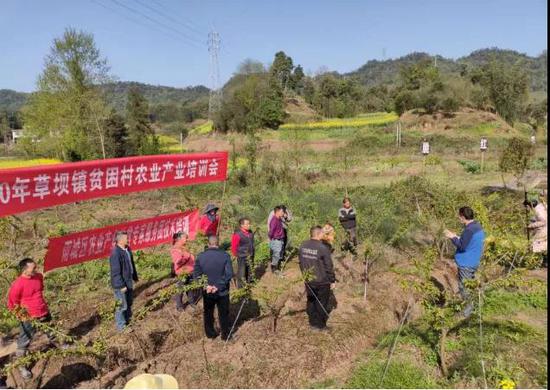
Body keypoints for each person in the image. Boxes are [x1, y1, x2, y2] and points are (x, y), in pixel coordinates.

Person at [7, 258, 67, 380]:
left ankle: (61, 346)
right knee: (24, 343)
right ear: (24, 269)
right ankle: (22, 366)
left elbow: (39, 291)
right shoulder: (17, 284)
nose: (36, 269)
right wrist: (23, 316)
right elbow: (12, 304)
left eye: (36, 267)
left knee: (52, 332)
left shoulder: (38, 276)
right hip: (29, 317)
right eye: (33, 268)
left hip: (43, 311)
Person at [444, 206, 485, 317]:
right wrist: (456, 236)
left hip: (466, 263)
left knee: (464, 288)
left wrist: (451, 237)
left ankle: (467, 313)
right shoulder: (477, 226)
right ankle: (476, 307)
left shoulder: (469, 230)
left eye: (459, 216)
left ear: (463, 217)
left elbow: (462, 246)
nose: (458, 218)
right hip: (474, 261)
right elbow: (468, 242)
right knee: (471, 286)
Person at [194, 235, 233, 340]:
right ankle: (225, 335)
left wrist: (206, 286)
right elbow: (229, 274)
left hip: (207, 291)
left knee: (208, 312)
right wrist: (218, 286)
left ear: (208, 244)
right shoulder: (225, 255)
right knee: (223, 313)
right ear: (218, 243)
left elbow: (196, 275)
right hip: (222, 290)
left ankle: (210, 334)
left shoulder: (200, 256)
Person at [298, 226, 336, 331]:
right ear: (319, 234)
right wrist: (332, 280)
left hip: (308, 279)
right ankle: (320, 325)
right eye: (323, 233)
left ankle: (312, 322)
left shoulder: (302, 245)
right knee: (321, 302)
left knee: (311, 300)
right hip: (322, 281)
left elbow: (300, 263)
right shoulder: (323, 248)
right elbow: (329, 266)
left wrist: (304, 276)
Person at [109, 231, 139, 331]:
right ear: (120, 240)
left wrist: (134, 277)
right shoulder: (115, 253)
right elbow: (115, 272)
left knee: (129, 303)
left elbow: (131, 264)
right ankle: (121, 327)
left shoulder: (127, 249)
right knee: (122, 305)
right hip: (120, 284)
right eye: (127, 238)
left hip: (128, 280)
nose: (128, 239)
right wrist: (121, 285)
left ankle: (128, 321)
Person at [171, 232, 198, 311]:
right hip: (182, 272)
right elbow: (178, 262)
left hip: (189, 271)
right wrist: (187, 256)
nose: (187, 239)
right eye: (185, 238)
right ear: (180, 239)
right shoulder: (176, 249)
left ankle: (191, 302)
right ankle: (179, 306)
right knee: (180, 289)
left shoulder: (184, 247)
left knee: (189, 288)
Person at [231, 218, 255, 288]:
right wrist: (237, 254)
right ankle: (241, 288)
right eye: (247, 224)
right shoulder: (237, 234)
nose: (249, 225)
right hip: (242, 256)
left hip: (250, 254)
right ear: (242, 225)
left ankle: (249, 284)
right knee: (242, 272)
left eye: (249, 223)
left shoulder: (250, 232)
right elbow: (233, 247)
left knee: (250, 270)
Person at [525, 193, 547, 267]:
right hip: (543, 229)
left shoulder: (538, 210)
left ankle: (542, 262)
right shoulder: (539, 208)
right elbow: (537, 219)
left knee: (539, 245)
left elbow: (543, 221)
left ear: (529, 205)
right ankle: (543, 262)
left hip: (544, 230)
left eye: (526, 207)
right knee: (542, 246)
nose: (526, 209)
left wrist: (531, 226)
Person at [268, 206, 286, 274]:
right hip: (276, 240)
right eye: (282, 212)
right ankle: (274, 268)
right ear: (277, 212)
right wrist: (272, 239)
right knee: (276, 255)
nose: (283, 213)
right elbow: (271, 231)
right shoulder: (274, 220)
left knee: (279, 254)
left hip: (280, 239)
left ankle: (276, 268)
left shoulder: (279, 219)